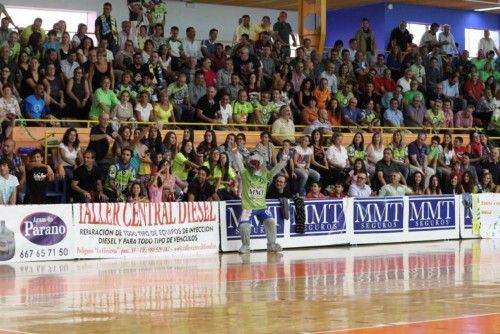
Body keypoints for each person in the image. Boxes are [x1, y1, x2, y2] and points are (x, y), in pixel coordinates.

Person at [233, 150, 287, 254]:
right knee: (244, 226)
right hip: (248, 207)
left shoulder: (266, 175)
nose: (255, 166)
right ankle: (245, 246)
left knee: (270, 221)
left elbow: (276, 169)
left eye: (257, 163)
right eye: (253, 163)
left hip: (262, 207)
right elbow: (239, 164)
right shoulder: (245, 174)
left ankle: (271, 245)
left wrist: (283, 160)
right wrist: (235, 153)